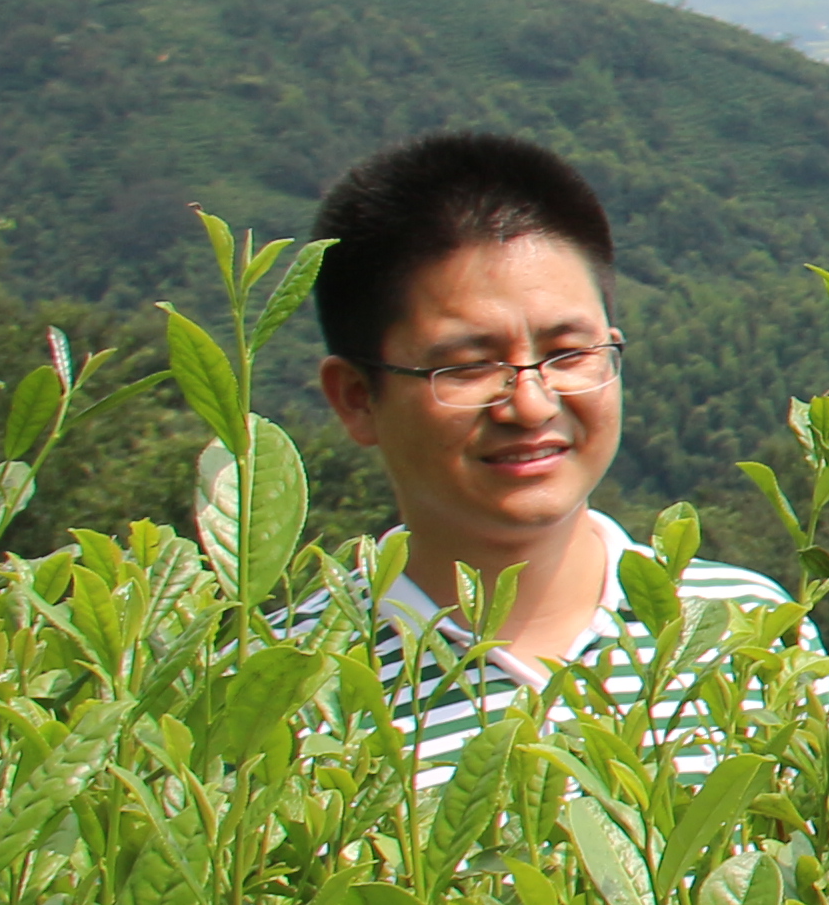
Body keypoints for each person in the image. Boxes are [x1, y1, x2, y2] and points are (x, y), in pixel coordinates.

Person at [306, 130, 789, 782]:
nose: (530, 405)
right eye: (468, 365)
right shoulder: (289, 685)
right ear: (358, 398)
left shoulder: (747, 630)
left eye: (569, 354)